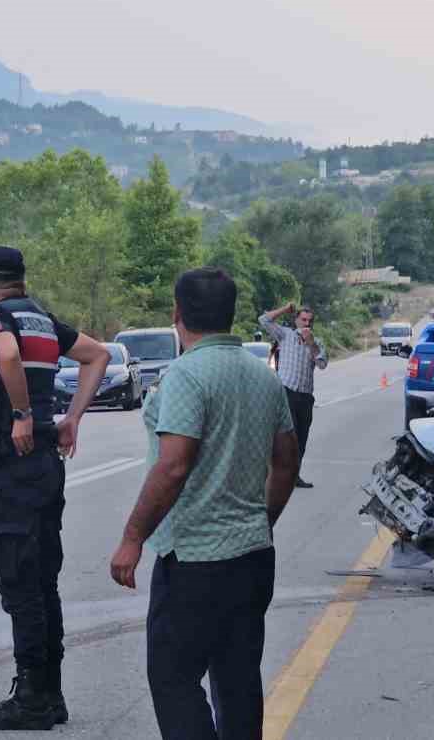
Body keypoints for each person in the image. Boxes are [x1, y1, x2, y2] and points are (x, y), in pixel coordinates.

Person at [110, 267, 300, 740]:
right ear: (231, 314)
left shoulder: (185, 376)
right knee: (237, 680)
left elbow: (173, 465)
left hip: (195, 562)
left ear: (177, 313)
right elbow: (286, 464)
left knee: (173, 678)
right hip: (253, 557)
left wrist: (133, 538)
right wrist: (263, 519)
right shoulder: (263, 377)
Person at [0, 245, 111, 732]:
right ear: (22, 279)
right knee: (44, 580)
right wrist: (71, 418)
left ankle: (31, 698)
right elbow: (98, 355)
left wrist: (23, 414)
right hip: (49, 464)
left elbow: (4, 351)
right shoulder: (44, 321)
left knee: (19, 579)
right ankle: (51, 694)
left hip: (14, 465)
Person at [259, 302, 327, 488]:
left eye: (309, 321)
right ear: (296, 320)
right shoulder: (285, 335)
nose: (306, 323)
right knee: (289, 435)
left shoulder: (317, 341)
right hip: (286, 391)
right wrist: (284, 309)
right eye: (303, 319)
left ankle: (294, 476)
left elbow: (322, 364)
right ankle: (275, 474)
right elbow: (263, 320)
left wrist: (311, 344)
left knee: (301, 440)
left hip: (305, 396)